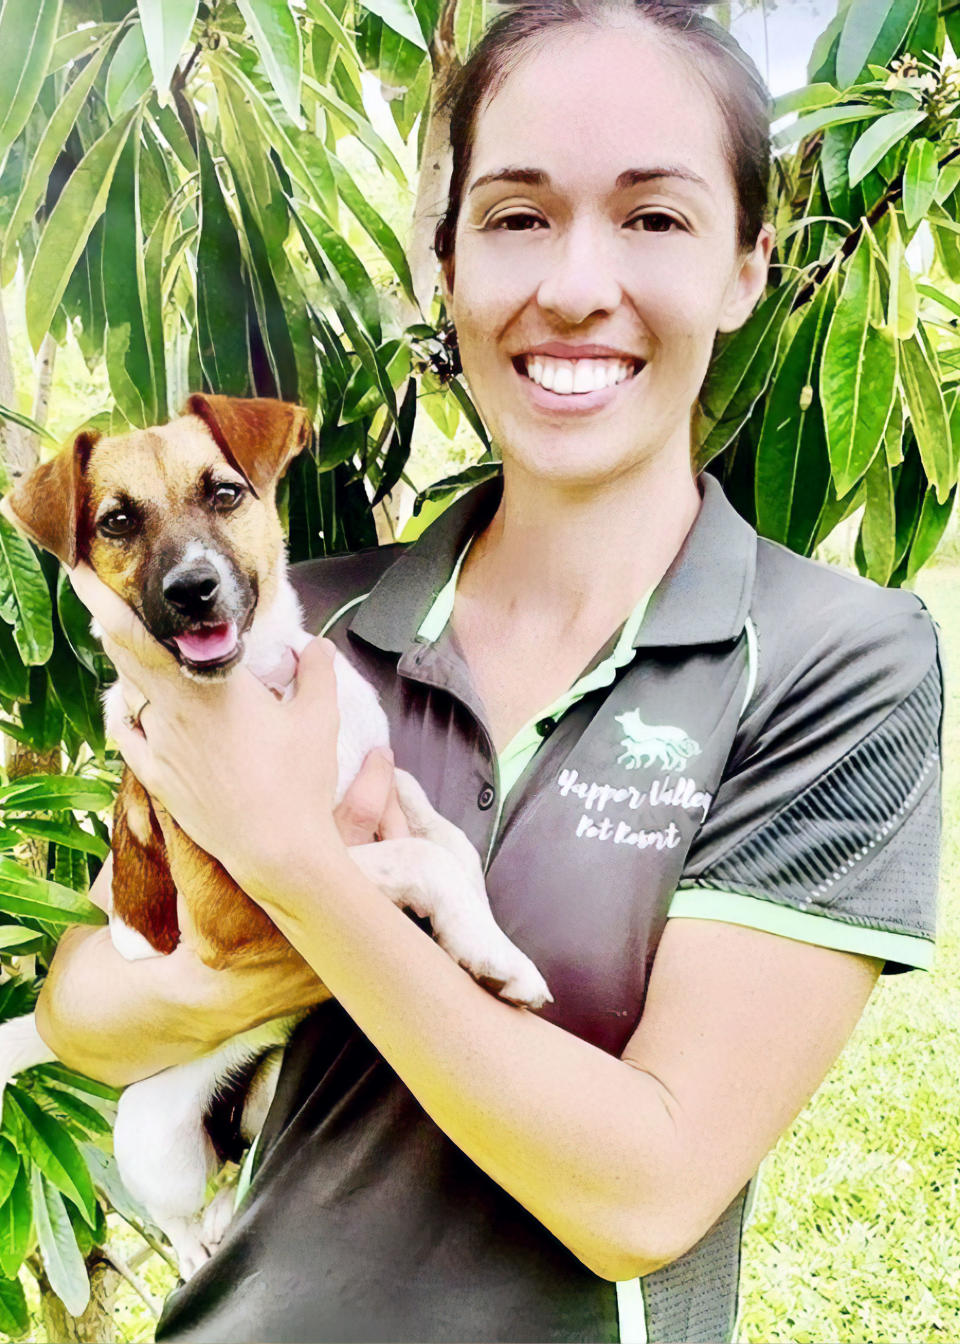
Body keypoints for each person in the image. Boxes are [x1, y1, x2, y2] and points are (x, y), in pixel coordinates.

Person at [38, 1, 942, 1341]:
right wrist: (218, 943)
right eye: (519, 215)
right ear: (448, 263)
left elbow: (640, 1195)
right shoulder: (302, 625)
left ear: (751, 262)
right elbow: (93, 1010)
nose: (575, 284)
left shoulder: (832, 662)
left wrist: (291, 862)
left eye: (654, 218)